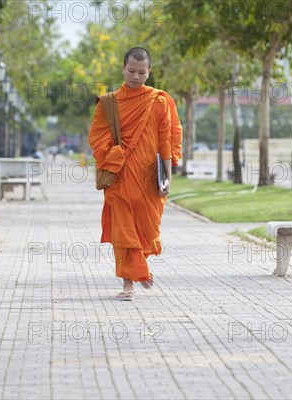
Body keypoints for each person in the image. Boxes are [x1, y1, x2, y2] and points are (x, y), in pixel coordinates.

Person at [88, 47, 182, 301]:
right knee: (123, 230)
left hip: (149, 177)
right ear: (123, 68)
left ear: (149, 72)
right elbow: (96, 138)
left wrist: (168, 177)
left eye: (142, 72)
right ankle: (129, 283)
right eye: (131, 71)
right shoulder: (109, 103)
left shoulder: (159, 101)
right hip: (118, 178)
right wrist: (116, 154)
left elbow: (166, 141)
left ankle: (139, 265)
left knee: (146, 230)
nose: (136, 77)